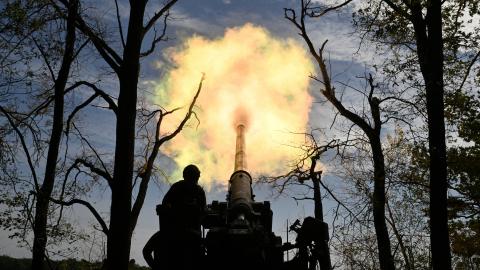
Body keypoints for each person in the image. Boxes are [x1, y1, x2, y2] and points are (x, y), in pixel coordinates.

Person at [143, 164, 206, 270]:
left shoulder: (178, 187)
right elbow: (203, 214)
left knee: (147, 250)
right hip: (187, 234)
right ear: (195, 177)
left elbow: (164, 205)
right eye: (195, 178)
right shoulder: (198, 191)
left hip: (173, 232)